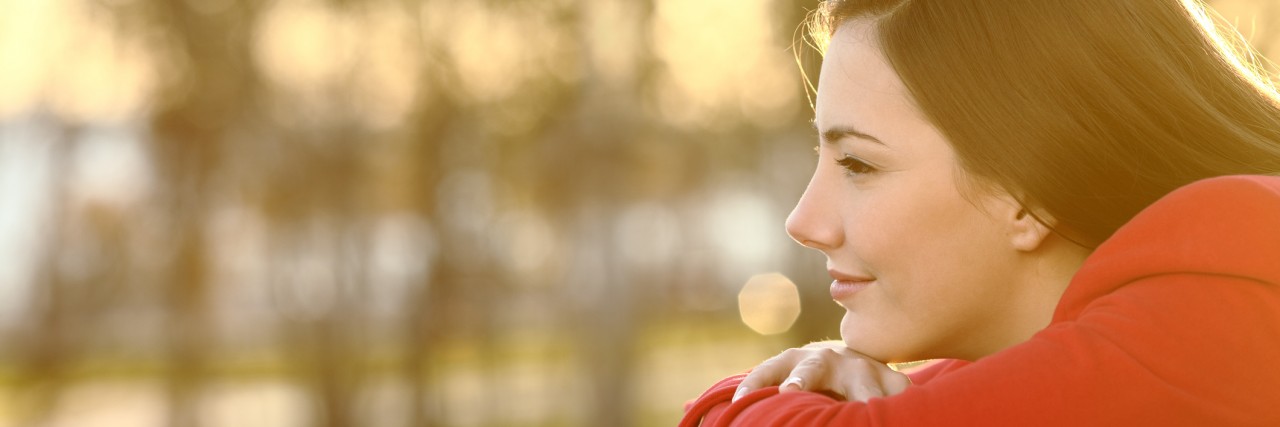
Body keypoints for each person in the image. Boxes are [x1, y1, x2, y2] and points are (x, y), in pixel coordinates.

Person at [680, 0, 1280, 425]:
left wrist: (750, 402)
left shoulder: (1218, 313)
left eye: (859, 165)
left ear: (1030, 190)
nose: (804, 222)